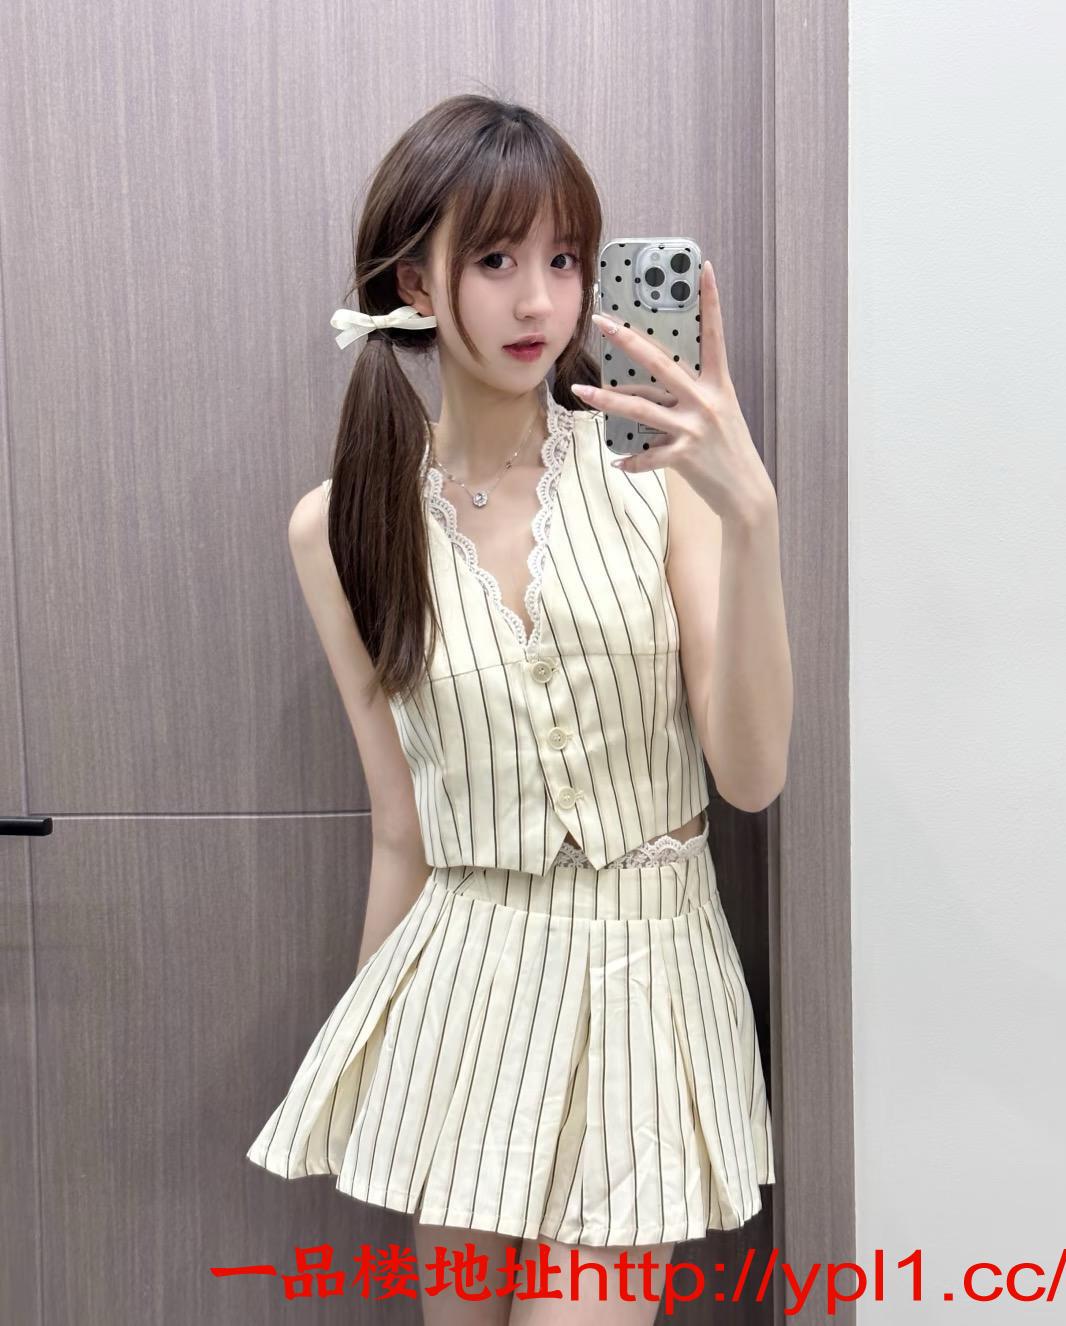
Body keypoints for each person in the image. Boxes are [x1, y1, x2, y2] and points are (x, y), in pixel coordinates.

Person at [247, 92, 786, 1325]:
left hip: (648, 973)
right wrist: (380, 1068)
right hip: (464, 986)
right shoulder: (341, 527)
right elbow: (402, 823)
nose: (540, 300)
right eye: (495, 260)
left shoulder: (659, 482)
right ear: (415, 284)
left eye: (564, 259)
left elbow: (751, 776)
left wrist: (748, 514)